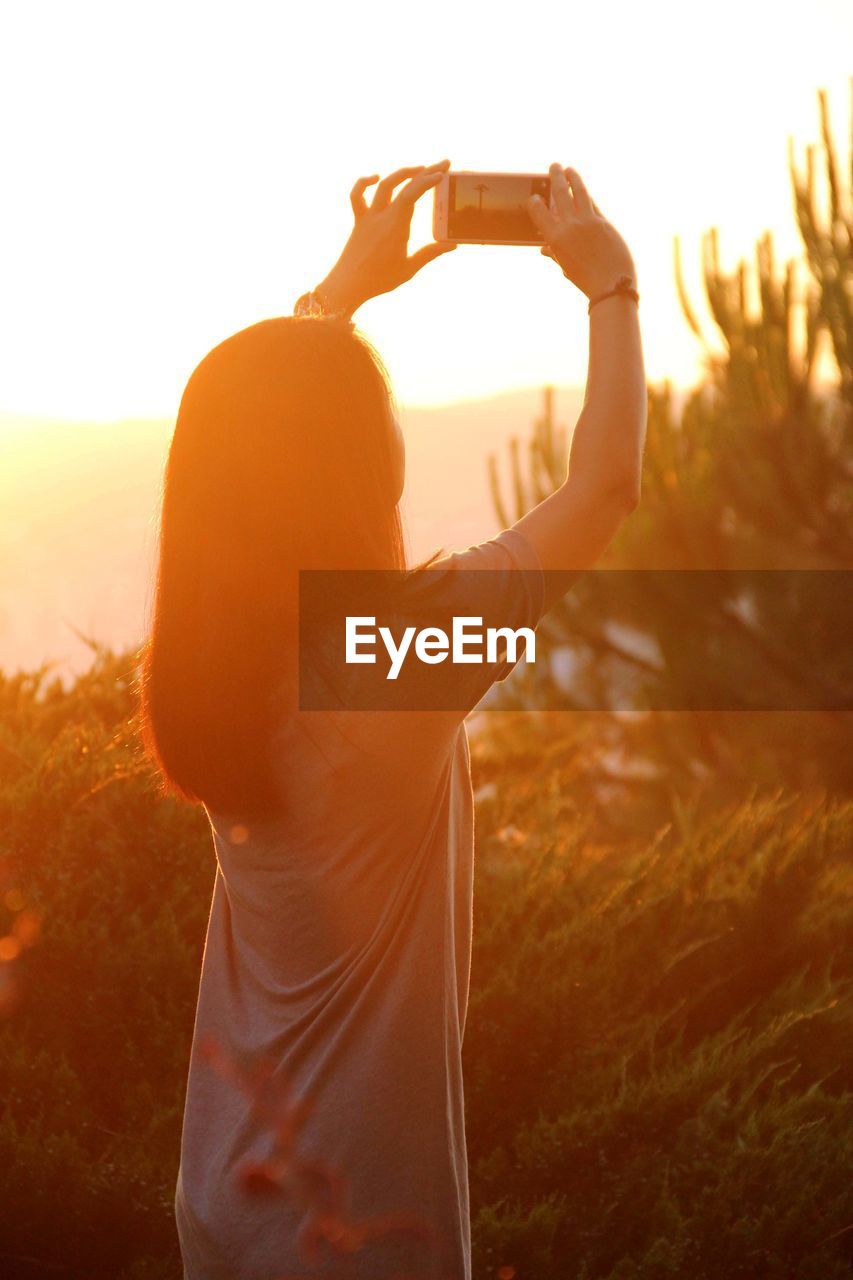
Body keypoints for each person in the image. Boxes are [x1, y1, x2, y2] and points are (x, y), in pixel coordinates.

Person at [139, 158, 646, 1279]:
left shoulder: (214, 655)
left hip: (223, 1205)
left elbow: (250, 453)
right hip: (352, 1233)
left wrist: (333, 300)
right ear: (364, 465)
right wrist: (610, 286)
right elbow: (605, 487)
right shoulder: (390, 660)